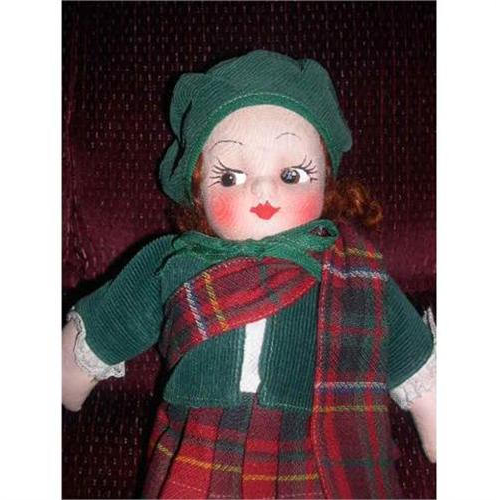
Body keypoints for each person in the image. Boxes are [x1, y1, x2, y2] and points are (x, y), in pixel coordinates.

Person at [62, 50, 436, 499]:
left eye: (292, 174)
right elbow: (110, 324)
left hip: (316, 449)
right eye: (230, 178)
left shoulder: (355, 274)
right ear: (198, 193)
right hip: (201, 444)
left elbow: (410, 354)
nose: (262, 189)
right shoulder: (175, 262)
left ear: (326, 183)